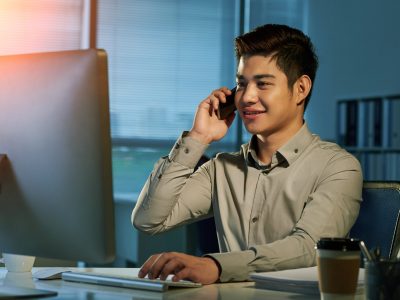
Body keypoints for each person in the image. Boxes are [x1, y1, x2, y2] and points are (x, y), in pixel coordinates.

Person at [131, 24, 363, 284]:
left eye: (263, 84)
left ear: (300, 88)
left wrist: (216, 266)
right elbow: (148, 220)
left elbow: (309, 248)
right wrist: (198, 137)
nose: (247, 97)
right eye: (241, 84)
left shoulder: (338, 167)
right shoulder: (222, 169)